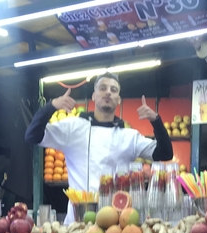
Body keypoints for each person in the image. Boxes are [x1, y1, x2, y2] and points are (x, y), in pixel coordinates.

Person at [25, 72, 173, 222]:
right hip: (78, 222)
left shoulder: (129, 136)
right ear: (94, 96)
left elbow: (165, 153)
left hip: (116, 222)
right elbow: (32, 135)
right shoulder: (73, 128)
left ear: (119, 100)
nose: (108, 92)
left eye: (113, 90)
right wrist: (51, 106)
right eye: (103, 88)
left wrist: (156, 121)